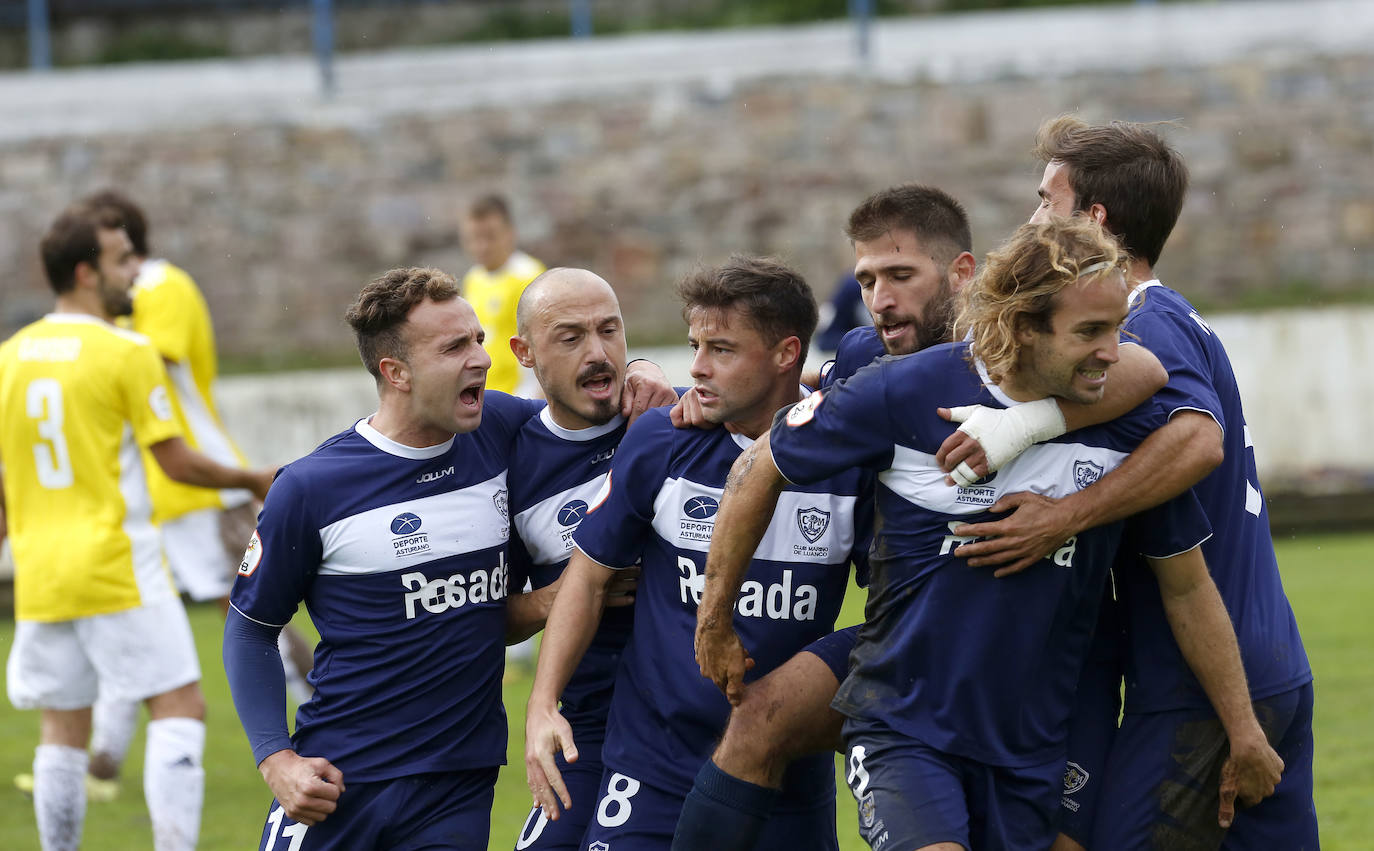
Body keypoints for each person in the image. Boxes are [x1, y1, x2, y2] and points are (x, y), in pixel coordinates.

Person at [693, 217, 1279, 851]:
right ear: (1025, 328)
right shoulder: (907, 389)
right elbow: (760, 470)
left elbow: (1188, 586)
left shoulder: (1124, 431)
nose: (1113, 350)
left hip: (1037, 744)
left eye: (1116, 330)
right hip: (907, 724)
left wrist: (1244, 729)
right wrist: (714, 620)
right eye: (1090, 332)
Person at [941, 116, 1316, 849]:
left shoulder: (1144, 324)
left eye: (1047, 199)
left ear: (1094, 220)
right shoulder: (1177, 319)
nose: (1031, 217)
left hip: (1199, 680)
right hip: (1266, 661)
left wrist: (1062, 515)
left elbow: (1196, 441)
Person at [221, 265, 674, 850]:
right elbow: (249, 630)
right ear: (396, 372)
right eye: (455, 347)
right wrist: (275, 758)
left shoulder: (501, 432)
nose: (481, 360)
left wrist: (643, 370)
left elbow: (585, 401)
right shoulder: (312, 488)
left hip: (460, 786)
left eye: (479, 340)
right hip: (342, 779)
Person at [525, 256, 870, 849]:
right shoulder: (661, 439)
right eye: (695, 345)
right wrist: (541, 704)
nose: (698, 368)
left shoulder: (848, 464)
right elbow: (587, 578)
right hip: (653, 770)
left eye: (722, 350)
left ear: (787, 355)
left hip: (785, 778)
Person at [1, 203, 273, 851]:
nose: (136, 270)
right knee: (181, 707)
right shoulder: (126, 350)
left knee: (62, 728)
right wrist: (252, 477)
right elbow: (175, 462)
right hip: (117, 564)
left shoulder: (9, 357)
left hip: (41, 571)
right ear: (87, 273)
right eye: (124, 259)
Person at [50, 189, 314, 802]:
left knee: (255, 612)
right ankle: (103, 765)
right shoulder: (102, 319)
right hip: (153, 493)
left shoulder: (160, 286)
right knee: (125, 617)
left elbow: (154, 358)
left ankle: (312, 721)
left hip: (203, 485)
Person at [505, 267, 651, 850]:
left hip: (699, 717)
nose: (598, 354)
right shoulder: (509, 468)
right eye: (570, 338)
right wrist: (556, 595)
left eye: (609, 331)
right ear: (525, 352)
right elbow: (482, 617)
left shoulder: (675, 423)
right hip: (588, 725)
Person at [461, 194, 546, 395]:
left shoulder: (530, 278)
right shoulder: (474, 279)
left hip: (520, 398)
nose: (481, 246)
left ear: (510, 233)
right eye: (474, 238)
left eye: (490, 236)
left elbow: (549, 347)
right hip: (483, 396)